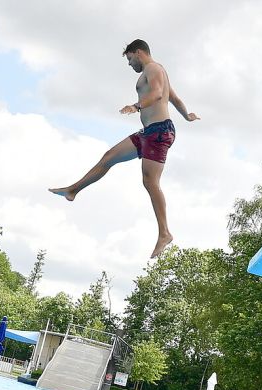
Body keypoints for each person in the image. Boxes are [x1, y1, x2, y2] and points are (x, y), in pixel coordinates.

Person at [48, 38, 199, 258]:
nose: (129, 65)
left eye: (129, 59)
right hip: (149, 132)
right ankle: (73, 190)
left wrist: (135, 106)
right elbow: (173, 97)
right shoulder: (156, 70)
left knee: (150, 182)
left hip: (159, 131)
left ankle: (164, 233)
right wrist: (187, 115)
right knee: (109, 156)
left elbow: (158, 94)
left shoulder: (154, 68)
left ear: (138, 52)